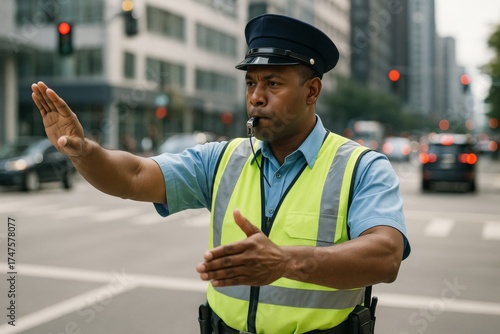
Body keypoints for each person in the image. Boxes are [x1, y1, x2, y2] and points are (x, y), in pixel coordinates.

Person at [32, 13, 410, 334]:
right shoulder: (222, 159)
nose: (255, 97)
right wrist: (83, 151)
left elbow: (385, 256)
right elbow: (132, 177)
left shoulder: (361, 166)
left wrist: (285, 262)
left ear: (312, 91)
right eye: (250, 83)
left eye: (272, 83)